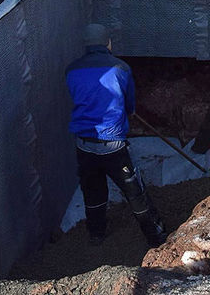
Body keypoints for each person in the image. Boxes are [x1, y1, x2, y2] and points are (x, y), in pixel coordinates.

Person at [65, 23, 167, 247]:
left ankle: (96, 235)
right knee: (134, 191)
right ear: (107, 43)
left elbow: (79, 97)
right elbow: (129, 103)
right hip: (113, 146)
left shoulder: (71, 70)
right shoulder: (121, 68)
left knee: (92, 190)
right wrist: (128, 111)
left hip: (84, 145)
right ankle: (156, 237)